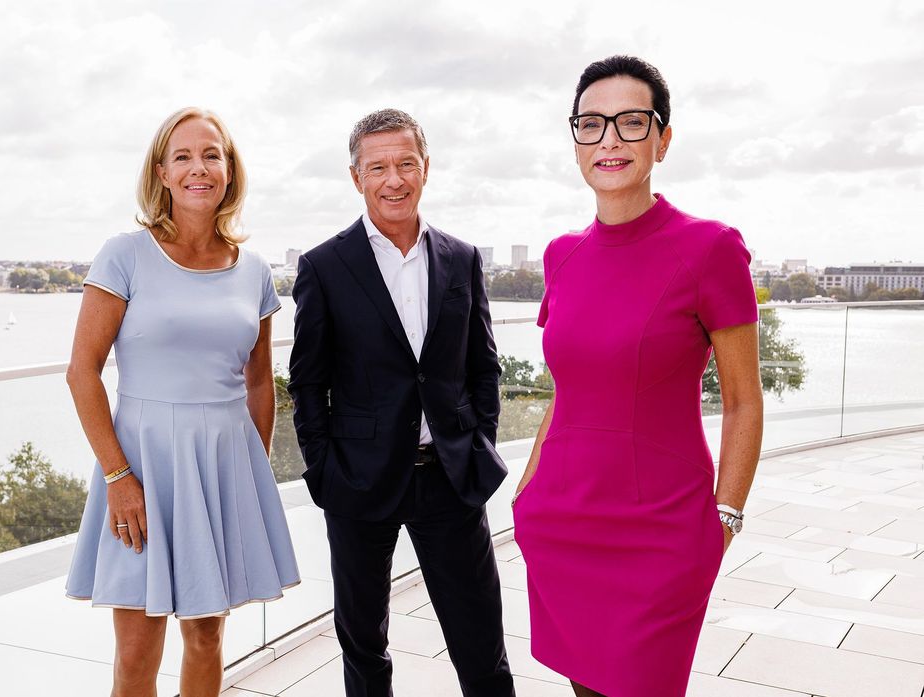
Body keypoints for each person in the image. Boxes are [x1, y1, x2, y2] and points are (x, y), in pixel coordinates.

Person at [512, 56, 764, 697]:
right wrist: (527, 490)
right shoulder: (561, 254)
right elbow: (567, 389)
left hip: (662, 532)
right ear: (575, 143)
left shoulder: (711, 248)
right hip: (564, 521)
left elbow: (742, 400)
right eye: (591, 125)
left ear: (663, 138)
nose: (610, 141)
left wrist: (725, 517)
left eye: (630, 122)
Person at [64, 107, 300, 697]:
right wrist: (119, 475)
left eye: (211, 155)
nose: (200, 168)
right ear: (163, 173)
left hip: (223, 464)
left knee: (207, 637)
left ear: (229, 169)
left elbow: (258, 381)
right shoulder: (124, 254)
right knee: (137, 653)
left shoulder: (254, 271)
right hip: (140, 464)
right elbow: (82, 373)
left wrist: (255, 466)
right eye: (184, 156)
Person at [289, 108, 516, 697]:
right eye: (378, 167)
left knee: (482, 647)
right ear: (356, 176)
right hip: (358, 483)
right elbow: (307, 383)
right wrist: (324, 471)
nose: (394, 179)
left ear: (426, 168)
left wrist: (478, 442)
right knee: (364, 647)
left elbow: (482, 366)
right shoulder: (324, 266)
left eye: (405, 164)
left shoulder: (462, 257)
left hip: (449, 477)